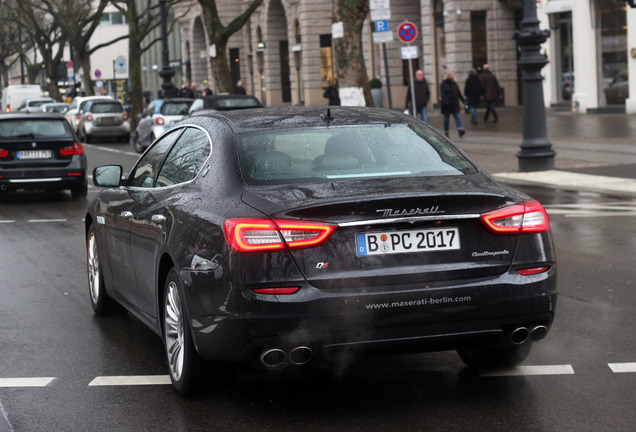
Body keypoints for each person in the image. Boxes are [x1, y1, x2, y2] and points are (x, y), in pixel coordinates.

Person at [440, 72, 466, 138]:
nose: (453, 76)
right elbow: (442, 94)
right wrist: (445, 101)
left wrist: (463, 100)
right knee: (446, 119)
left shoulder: (454, 83)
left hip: (454, 104)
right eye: (452, 75)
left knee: (457, 116)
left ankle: (460, 129)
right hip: (447, 105)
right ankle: (446, 131)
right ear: (448, 76)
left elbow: (458, 93)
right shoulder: (443, 84)